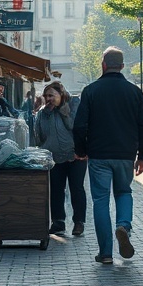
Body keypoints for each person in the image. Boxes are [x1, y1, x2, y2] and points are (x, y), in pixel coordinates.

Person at [73, 47, 143, 265]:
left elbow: (79, 125)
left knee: (100, 200)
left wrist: (81, 150)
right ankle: (123, 225)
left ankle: (105, 252)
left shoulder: (90, 91)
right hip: (125, 154)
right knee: (124, 192)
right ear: (122, 66)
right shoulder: (134, 92)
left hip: (98, 155)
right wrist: (142, 156)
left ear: (103, 65)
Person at [35, 81, 87, 237]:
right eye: (46, 96)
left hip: (75, 155)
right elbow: (39, 135)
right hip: (54, 157)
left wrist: (64, 112)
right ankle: (58, 222)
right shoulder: (43, 112)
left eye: (52, 95)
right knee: (56, 189)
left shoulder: (73, 106)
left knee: (76, 188)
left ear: (61, 94)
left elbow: (75, 127)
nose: (48, 98)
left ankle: (79, 222)